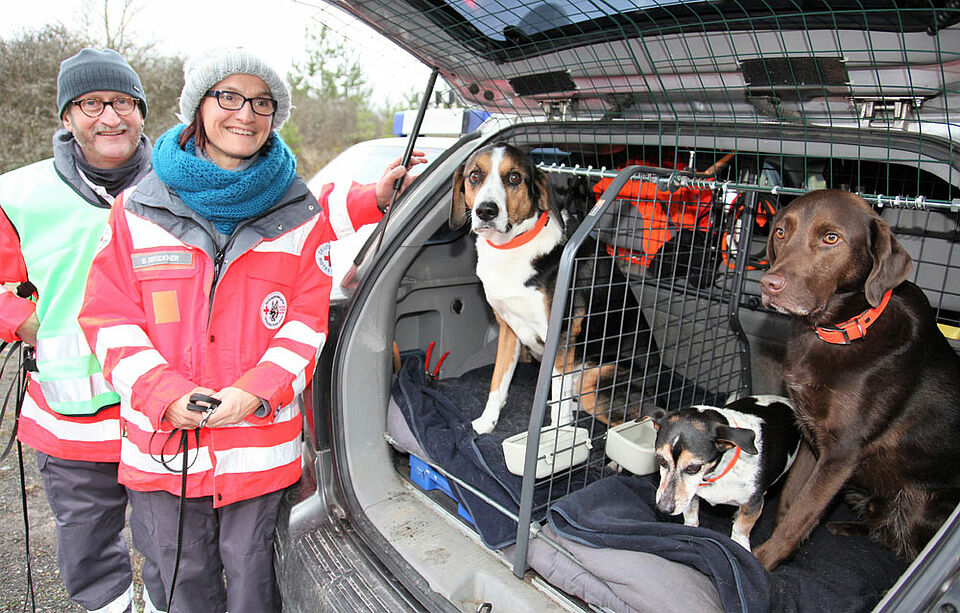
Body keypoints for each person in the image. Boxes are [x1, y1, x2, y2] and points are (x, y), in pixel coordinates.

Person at [78, 48, 424, 613]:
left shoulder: (299, 215)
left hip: (258, 453)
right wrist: (165, 395)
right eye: (229, 96)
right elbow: (108, 318)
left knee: (253, 584)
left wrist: (254, 393)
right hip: (163, 452)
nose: (245, 113)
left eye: (262, 102)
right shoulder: (135, 210)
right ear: (198, 107)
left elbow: (305, 325)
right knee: (179, 582)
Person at [0, 48, 167, 613]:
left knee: (175, 547)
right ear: (67, 118)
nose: (109, 117)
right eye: (90, 103)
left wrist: (371, 201)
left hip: (163, 416)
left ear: (142, 112)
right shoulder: (19, 194)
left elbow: (278, 228)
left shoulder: (179, 185)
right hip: (70, 422)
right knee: (89, 550)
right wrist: (19, 320)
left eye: (122, 101)